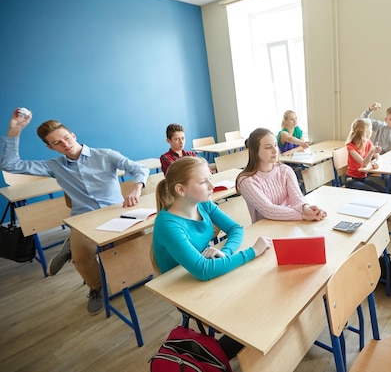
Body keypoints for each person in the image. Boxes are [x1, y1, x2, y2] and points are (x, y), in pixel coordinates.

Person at [0, 108, 149, 315]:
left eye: (66, 138)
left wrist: (136, 187)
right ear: (50, 147)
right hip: (84, 220)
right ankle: (95, 287)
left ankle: (74, 245)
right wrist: (14, 130)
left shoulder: (105, 154)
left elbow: (140, 169)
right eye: (57, 143)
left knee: (139, 246)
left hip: (116, 212)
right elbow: (10, 165)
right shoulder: (54, 166)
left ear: (73, 135)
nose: (65, 144)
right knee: (81, 258)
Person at [152, 156, 272, 359]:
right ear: (181, 190)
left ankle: (243, 349)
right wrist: (252, 252)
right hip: (182, 287)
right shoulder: (168, 223)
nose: (211, 185)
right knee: (252, 311)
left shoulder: (203, 205)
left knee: (261, 295)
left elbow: (235, 228)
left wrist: (224, 253)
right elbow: (203, 270)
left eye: (210, 177)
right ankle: (212, 358)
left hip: (205, 273)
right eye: (203, 181)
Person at [236, 128, 327, 223]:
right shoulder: (247, 181)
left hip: (290, 223)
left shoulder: (285, 170)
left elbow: (297, 198)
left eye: (275, 145)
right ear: (254, 151)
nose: (275, 151)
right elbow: (268, 210)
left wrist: (306, 208)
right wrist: (302, 216)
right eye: (268, 147)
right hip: (266, 230)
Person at [345, 118, 385, 192]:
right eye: (370, 129)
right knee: (374, 192)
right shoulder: (350, 147)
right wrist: (372, 151)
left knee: (383, 190)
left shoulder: (368, 142)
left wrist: (376, 162)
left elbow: (377, 156)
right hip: (351, 180)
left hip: (363, 178)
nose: (371, 131)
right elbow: (363, 163)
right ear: (365, 131)